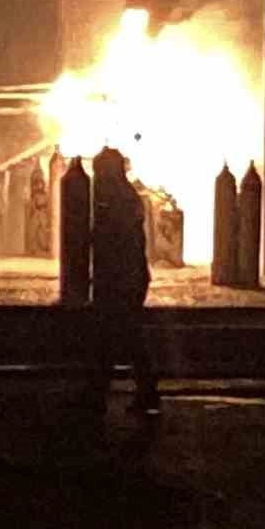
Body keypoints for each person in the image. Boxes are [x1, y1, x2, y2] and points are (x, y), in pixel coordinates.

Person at [89, 147, 157, 416]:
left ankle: (99, 397)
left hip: (123, 280)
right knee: (123, 338)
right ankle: (143, 393)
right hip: (126, 278)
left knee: (114, 338)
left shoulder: (118, 200)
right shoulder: (123, 196)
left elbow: (114, 242)